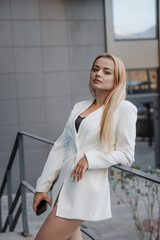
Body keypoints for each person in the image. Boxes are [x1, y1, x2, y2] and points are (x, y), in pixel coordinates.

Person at [33, 53, 137, 240]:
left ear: (116, 80)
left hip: (84, 192)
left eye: (107, 72)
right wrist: (42, 186)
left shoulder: (124, 109)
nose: (98, 74)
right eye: (95, 69)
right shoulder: (79, 106)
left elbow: (127, 155)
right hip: (63, 187)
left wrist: (90, 158)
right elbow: (60, 147)